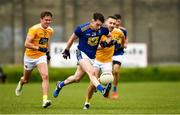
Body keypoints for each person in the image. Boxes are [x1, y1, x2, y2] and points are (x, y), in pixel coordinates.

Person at [53, 12, 111, 100]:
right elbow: (72, 38)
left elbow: (109, 36)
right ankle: (102, 90)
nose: (99, 27)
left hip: (92, 57)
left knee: (77, 78)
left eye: (100, 25)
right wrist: (66, 50)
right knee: (92, 73)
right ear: (92, 21)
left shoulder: (103, 29)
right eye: (97, 24)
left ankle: (60, 85)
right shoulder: (82, 28)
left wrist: (105, 43)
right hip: (81, 53)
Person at [15, 11, 54, 108]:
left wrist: (47, 52)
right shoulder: (34, 29)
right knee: (26, 80)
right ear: (41, 20)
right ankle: (21, 82)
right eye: (46, 20)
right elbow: (26, 44)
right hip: (29, 57)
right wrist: (38, 48)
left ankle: (45, 100)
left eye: (49, 20)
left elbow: (45, 42)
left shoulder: (50, 30)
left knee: (45, 76)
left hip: (41, 56)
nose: (48, 22)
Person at [83, 16, 119, 109]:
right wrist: (105, 45)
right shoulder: (100, 31)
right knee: (92, 84)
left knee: (108, 79)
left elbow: (123, 38)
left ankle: (103, 86)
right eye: (110, 23)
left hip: (107, 62)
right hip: (96, 60)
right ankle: (87, 102)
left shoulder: (118, 32)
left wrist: (122, 45)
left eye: (114, 23)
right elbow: (92, 46)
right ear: (106, 23)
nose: (112, 25)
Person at [111, 14, 128, 99]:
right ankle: (104, 88)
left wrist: (125, 44)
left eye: (118, 21)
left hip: (118, 53)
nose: (117, 23)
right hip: (108, 53)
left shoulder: (123, 30)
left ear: (120, 21)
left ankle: (114, 90)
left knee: (116, 71)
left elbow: (125, 39)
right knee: (104, 72)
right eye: (115, 21)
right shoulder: (109, 30)